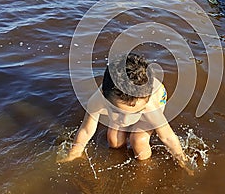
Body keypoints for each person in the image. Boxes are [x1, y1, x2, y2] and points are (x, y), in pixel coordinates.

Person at [61, 53, 192, 172]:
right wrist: (75, 152)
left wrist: (182, 159)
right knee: (113, 140)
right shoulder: (97, 100)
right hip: (131, 100)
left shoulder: (149, 106)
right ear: (104, 97)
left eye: (135, 113)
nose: (124, 121)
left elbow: (167, 136)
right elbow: (86, 130)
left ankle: (144, 170)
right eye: (116, 112)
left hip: (157, 98)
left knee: (139, 140)